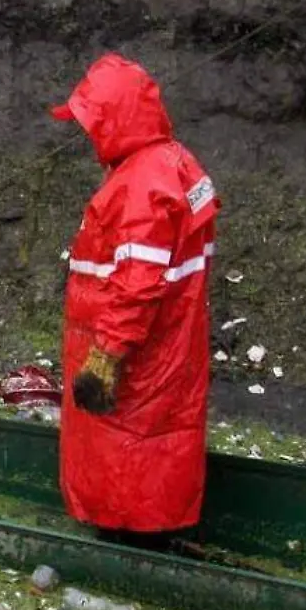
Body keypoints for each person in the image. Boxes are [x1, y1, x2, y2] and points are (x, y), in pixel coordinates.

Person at [50, 52, 218, 550]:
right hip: (171, 345)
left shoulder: (142, 186)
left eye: (92, 121)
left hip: (140, 355)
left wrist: (106, 357)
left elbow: (136, 285)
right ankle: (150, 537)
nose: (88, 133)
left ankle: (131, 548)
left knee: (128, 452)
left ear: (115, 119)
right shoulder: (175, 163)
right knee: (159, 445)